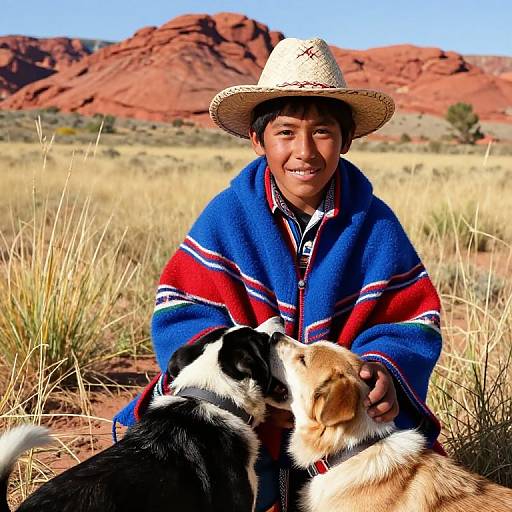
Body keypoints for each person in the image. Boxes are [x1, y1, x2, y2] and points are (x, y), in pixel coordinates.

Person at [114, 37, 443, 512]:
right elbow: (179, 313)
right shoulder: (228, 217)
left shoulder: (374, 224)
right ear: (258, 139)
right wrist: (250, 379)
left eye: (323, 132)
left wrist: (383, 372)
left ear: (346, 140)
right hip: (245, 429)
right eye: (286, 132)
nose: (304, 151)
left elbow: (410, 323)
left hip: (341, 431)